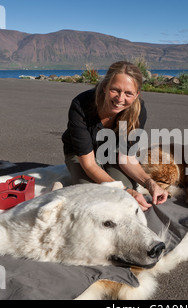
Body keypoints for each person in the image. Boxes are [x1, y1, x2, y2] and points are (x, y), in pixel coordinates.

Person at [62, 61, 168, 211]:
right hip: (83, 156)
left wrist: (151, 184)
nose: (120, 99)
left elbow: (126, 158)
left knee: (130, 190)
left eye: (128, 93)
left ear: (137, 94)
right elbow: (89, 164)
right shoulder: (81, 104)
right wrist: (124, 191)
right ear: (105, 87)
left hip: (112, 153)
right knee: (93, 194)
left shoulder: (138, 111)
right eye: (115, 90)